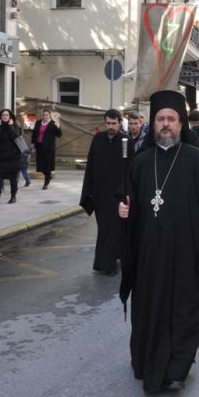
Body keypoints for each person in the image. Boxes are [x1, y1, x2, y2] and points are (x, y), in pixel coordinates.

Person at [118, 90, 199, 393]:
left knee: (184, 310)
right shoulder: (140, 162)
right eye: (160, 119)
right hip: (149, 255)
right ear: (153, 123)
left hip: (185, 254)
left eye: (171, 119)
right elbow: (131, 204)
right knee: (148, 309)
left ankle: (177, 368)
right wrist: (123, 211)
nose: (165, 124)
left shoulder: (197, 160)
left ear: (181, 125)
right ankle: (146, 362)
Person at [80, 109, 134, 277]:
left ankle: (108, 264)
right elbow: (91, 165)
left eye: (114, 123)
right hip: (100, 194)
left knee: (113, 228)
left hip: (118, 194)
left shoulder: (126, 140)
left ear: (119, 123)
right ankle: (110, 258)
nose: (111, 127)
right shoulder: (98, 139)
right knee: (104, 229)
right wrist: (87, 191)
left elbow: (130, 168)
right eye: (108, 123)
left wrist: (126, 192)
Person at [0, 109, 21, 206]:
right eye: (3, 115)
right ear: (0, 117)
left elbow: (15, 137)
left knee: (13, 179)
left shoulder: (15, 126)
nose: (5, 117)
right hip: (0, 158)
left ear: (10, 116)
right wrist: (0, 127)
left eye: (7, 115)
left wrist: (10, 126)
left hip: (12, 158)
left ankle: (13, 197)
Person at [31, 109, 63, 189]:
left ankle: (46, 182)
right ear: (42, 115)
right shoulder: (38, 123)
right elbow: (34, 133)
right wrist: (32, 143)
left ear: (49, 116)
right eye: (44, 115)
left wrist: (58, 127)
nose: (45, 116)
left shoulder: (53, 124)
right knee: (40, 166)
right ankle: (48, 175)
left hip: (49, 148)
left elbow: (59, 135)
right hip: (39, 146)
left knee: (47, 166)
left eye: (47, 115)